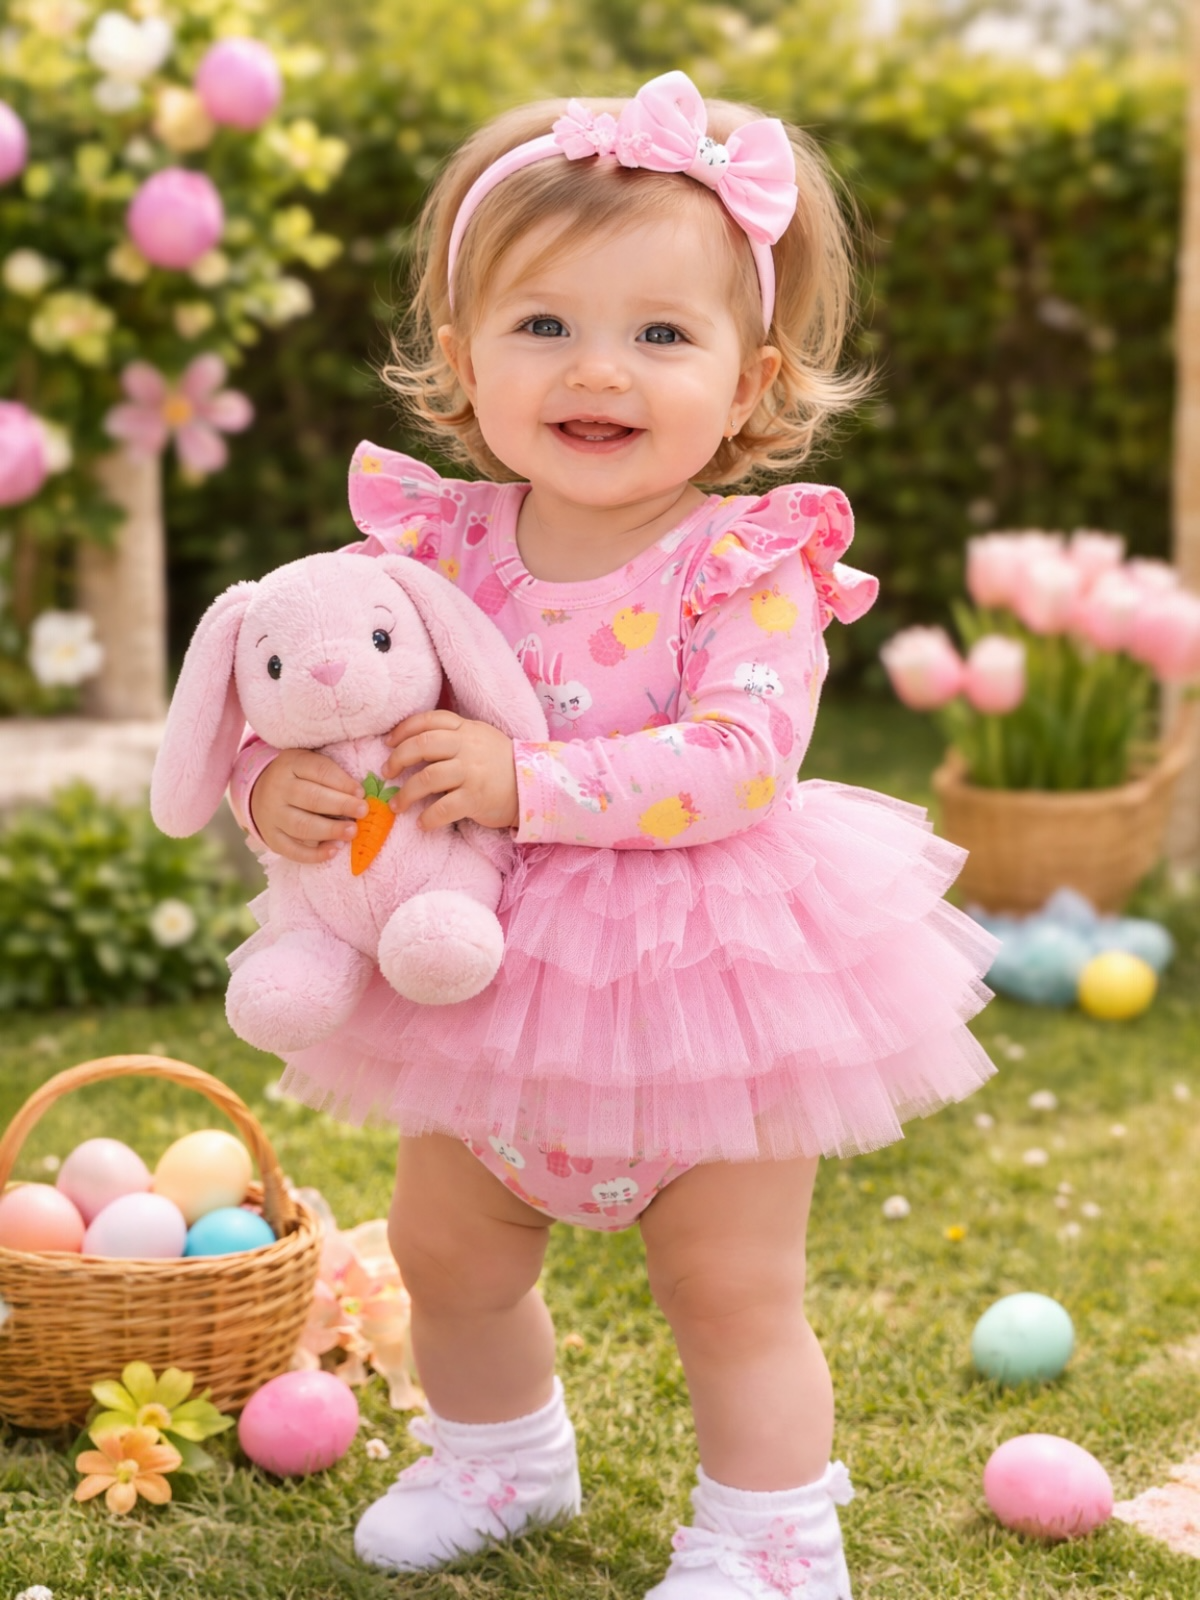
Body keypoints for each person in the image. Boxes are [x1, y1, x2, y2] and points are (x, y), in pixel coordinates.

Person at [229, 71, 997, 1600]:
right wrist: (275, 784)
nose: (601, 370)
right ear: (461, 359)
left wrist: (524, 779)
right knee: (448, 1246)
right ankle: (500, 1456)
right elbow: (341, 700)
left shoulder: (748, 560)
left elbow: (739, 761)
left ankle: (772, 1541)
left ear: (753, 378)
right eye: (544, 326)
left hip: (706, 975)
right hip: (486, 967)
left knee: (728, 1286)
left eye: (661, 333)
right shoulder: (439, 547)